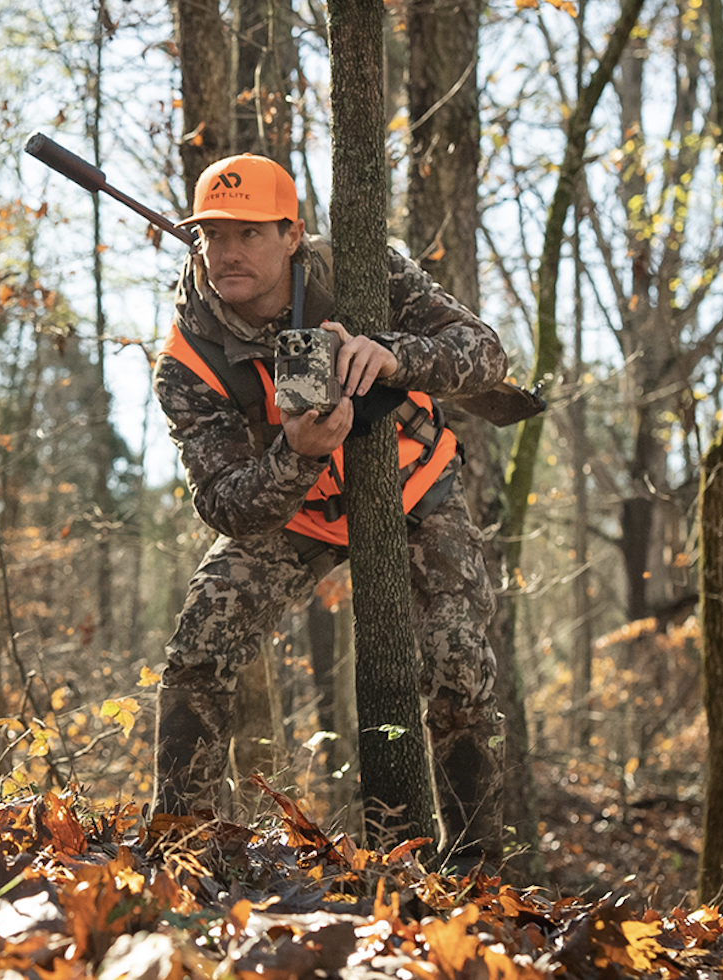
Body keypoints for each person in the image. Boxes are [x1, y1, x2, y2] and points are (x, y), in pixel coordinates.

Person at [151, 152, 512, 866]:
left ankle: (475, 876)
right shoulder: (188, 358)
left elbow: (485, 354)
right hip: (293, 511)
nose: (228, 252)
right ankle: (182, 851)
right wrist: (298, 452)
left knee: (460, 671)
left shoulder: (362, 269)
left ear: (292, 234)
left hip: (414, 487)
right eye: (213, 235)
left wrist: (390, 354)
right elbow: (225, 504)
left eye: (249, 233)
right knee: (198, 650)